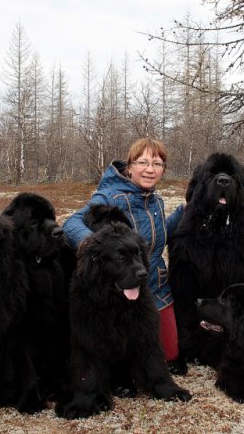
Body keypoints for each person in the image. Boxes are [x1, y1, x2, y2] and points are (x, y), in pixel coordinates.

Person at [63, 138, 184, 362]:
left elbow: (151, 240)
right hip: (119, 290)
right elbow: (71, 224)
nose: (150, 169)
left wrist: (183, 212)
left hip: (155, 288)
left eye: (157, 164)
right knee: (129, 357)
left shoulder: (154, 200)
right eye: (143, 163)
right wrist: (93, 246)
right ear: (129, 167)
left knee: (170, 354)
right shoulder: (109, 196)